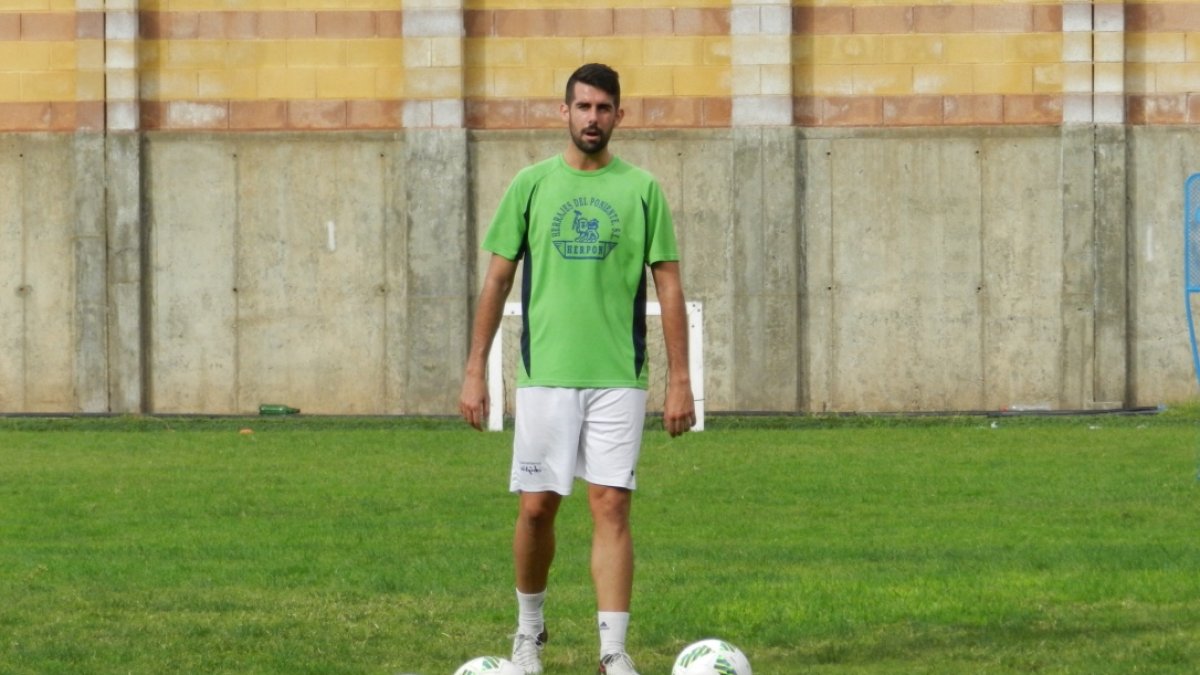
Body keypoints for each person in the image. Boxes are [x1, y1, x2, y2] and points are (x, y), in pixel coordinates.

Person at [458, 63, 696, 675]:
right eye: (583, 107)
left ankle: (613, 651)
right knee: (537, 507)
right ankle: (528, 634)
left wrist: (681, 380)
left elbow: (667, 286)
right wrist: (473, 369)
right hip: (546, 377)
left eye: (604, 108)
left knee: (611, 504)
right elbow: (496, 279)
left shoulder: (642, 190)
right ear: (563, 112)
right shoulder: (531, 185)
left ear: (621, 114)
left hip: (619, 374)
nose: (593, 118)